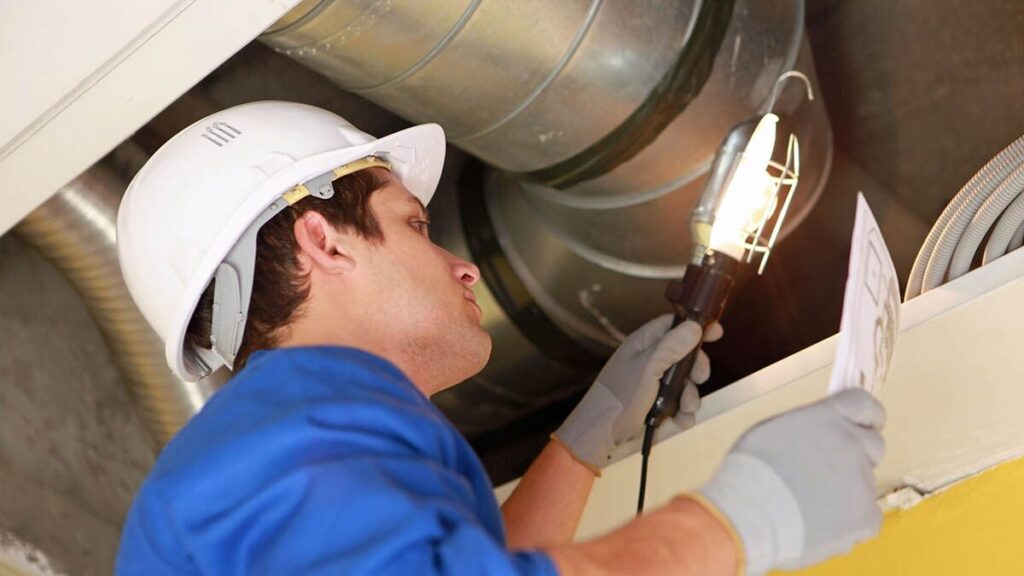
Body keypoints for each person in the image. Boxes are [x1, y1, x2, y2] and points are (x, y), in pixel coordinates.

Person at [115, 101, 886, 575]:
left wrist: (584, 440)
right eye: (415, 225)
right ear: (326, 242)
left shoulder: (288, 442)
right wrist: (738, 519)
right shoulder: (283, 441)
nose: (463, 267)